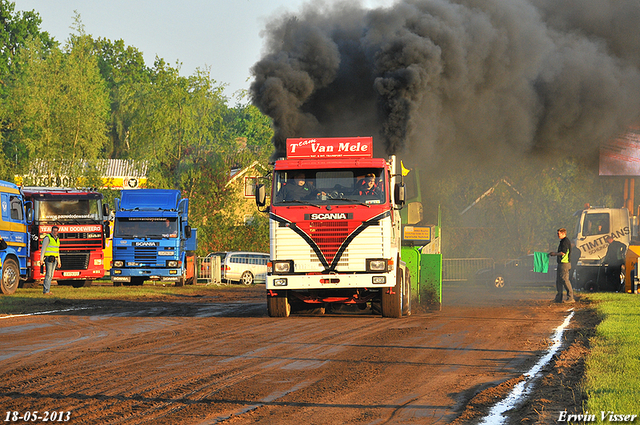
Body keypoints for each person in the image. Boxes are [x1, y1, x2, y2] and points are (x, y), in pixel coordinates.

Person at [549, 228, 574, 303]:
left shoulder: (565, 241)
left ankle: (570, 298)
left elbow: (563, 253)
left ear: (563, 233)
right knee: (559, 281)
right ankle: (558, 298)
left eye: (558, 233)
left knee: (565, 280)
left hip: (564, 263)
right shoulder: (562, 241)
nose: (557, 235)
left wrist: (554, 254)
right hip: (561, 263)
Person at [40, 226, 61, 295]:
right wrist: (41, 259)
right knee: (48, 275)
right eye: (54, 231)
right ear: (51, 231)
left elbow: (57, 251)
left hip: (54, 259)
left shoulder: (57, 239)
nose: (55, 232)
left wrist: (59, 261)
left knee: (51, 275)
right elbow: (43, 249)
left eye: (56, 231)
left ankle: (47, 290)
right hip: (48, 259)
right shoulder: (47, 238)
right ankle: (46, 291)